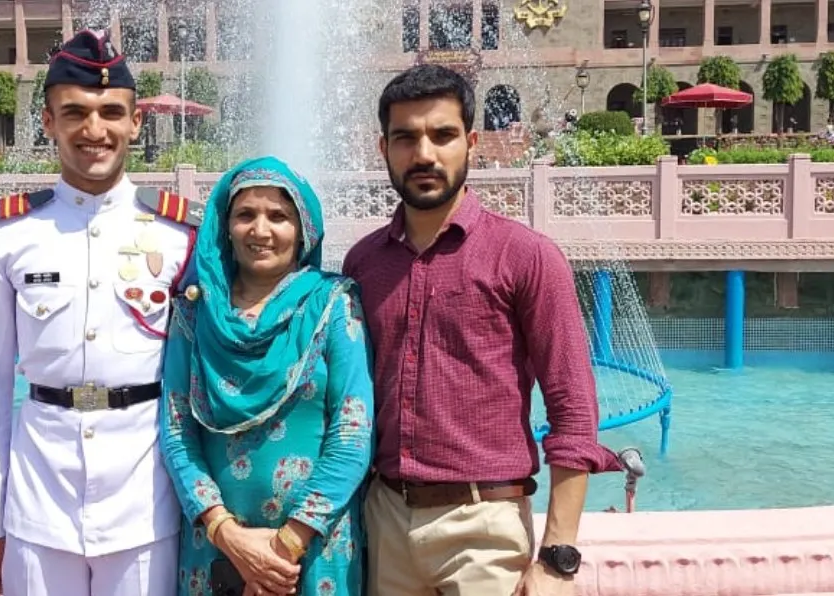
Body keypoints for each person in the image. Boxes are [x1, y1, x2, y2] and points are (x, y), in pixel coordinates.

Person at [342, 64, 624, 596]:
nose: (424, 154)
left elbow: (572, 406)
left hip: (484, 527)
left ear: (471, 142)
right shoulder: (364, 264)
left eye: (442, 135)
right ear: (383, 149)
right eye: (405, 138)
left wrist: (559, 556)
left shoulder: (525, 256)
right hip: (383, 519)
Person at [0, 28, 200, 596]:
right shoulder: (9, 235)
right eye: (74, 113)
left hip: (144, 496)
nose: (94, 130)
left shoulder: (179, 234)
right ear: (48, 122)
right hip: (39, 494)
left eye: (110, 113)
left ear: (135, 122)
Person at [158, 155, 375, 596]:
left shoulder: (333, 306)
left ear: (304, 229)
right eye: (245, 215)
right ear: (225, 225)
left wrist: (286, 545)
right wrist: (227, 534)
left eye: (278, 216)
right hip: (217, 547)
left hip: (312, 550)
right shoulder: (193, 313)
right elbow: (177, 429)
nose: (260, 231)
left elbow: (353, 432)